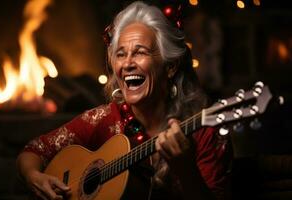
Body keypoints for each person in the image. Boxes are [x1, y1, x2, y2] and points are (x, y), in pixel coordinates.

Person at [16, 1, 232, 200]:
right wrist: (34, 177)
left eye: (140, 52)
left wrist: (186, 170)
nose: (127, 63)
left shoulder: (204, 131)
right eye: (120, 54)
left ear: (170, 66)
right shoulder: (104, 118)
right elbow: (33, 150)